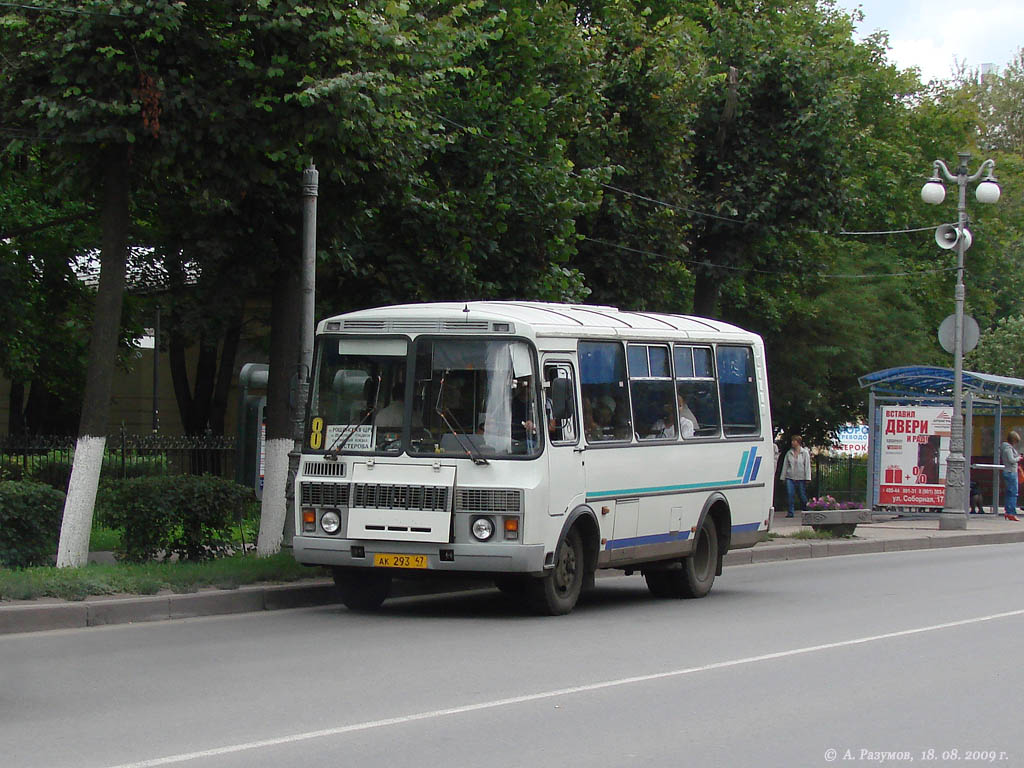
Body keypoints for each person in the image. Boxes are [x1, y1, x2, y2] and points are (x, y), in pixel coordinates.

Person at [780, 434, 811, 518]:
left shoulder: (804, 453)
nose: (792, 443)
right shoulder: (789, 453)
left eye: (794, 441)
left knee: (802, 495)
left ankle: (806, 510)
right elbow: (785, 466)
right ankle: (790, 512)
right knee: (790, 494)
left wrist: (808, 478)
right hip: (790, 477)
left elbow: (807, 466)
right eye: (792, 441)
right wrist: (783, 477)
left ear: (798, 442)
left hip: (801, 478)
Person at [1000, 431, 1020, 521]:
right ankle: (1011, 512)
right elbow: (1011, 460)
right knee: (1013, 493)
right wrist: (1018, 458)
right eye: (1016, 441)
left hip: (1008, 472)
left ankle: (1008, 511)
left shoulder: (1006, 447)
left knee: (1009, 493)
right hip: (1011, 472)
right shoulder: (1008, 448)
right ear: (1013, 440)